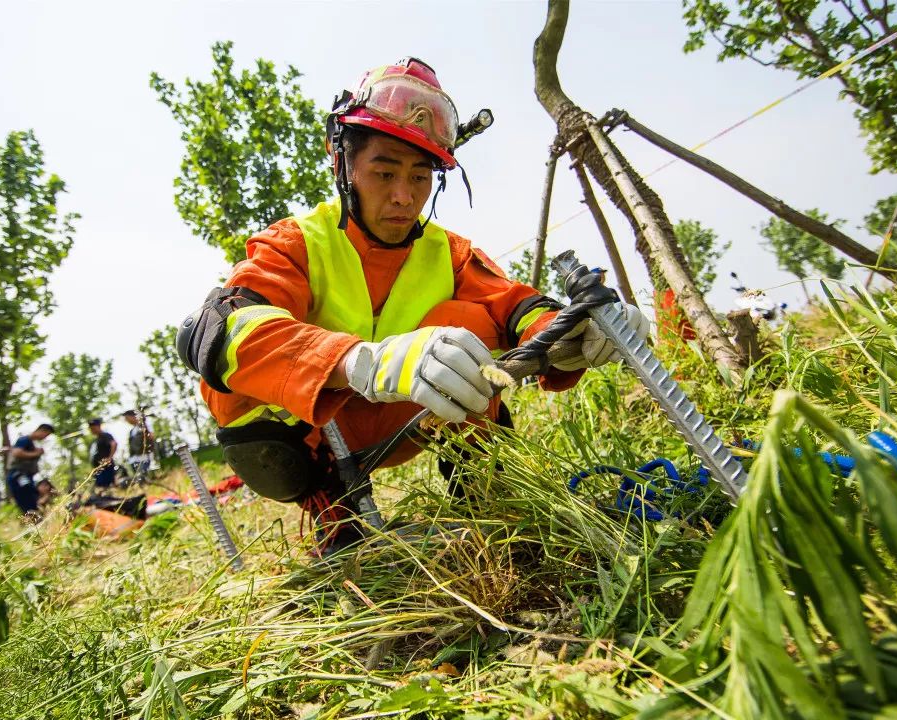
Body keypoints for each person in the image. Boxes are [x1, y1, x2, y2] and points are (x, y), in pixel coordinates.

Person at [177, 58, 649, 556]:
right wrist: (363, 362)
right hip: (318, 434)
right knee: (228, 381)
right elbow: (223, 330)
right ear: (342, 162)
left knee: (468, 322)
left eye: (420, 178)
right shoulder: (297, 243)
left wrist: (576, 333)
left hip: (413, 420)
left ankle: (491, 499)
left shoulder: (450, 253)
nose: (404, 198)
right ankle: (336, 514)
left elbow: (516, 306)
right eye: (384, 172)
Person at [7, 423, 54, 517]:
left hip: (24, 476)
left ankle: (35, 517)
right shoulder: (24, 439)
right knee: (29, 496)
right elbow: (17, 453)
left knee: (32, 499)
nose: (45, 438)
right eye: (46, 435)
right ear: (42, 430)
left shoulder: (31, 443)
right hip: (19, 476)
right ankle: (33, 517)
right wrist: (36, 453)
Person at [122, 409, 156, 480]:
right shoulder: (132, 431)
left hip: (145, 457)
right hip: (134, 458)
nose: (126, 421)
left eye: (127, 418)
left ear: (133, 416)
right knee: (138, 478)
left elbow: (151, 437)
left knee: (144, 477)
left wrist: (144, 427)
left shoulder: (146, 425)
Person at [87, 418, 117, 491]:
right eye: (91, 428)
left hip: (105, 466)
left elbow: (114, 444)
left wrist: (109, 458)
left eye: (94, 427)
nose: (92, 429)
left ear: (99, 426)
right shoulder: (95, 440)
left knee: (107, 486)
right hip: (98, 467)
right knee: (100, 486)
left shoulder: (105, 435)